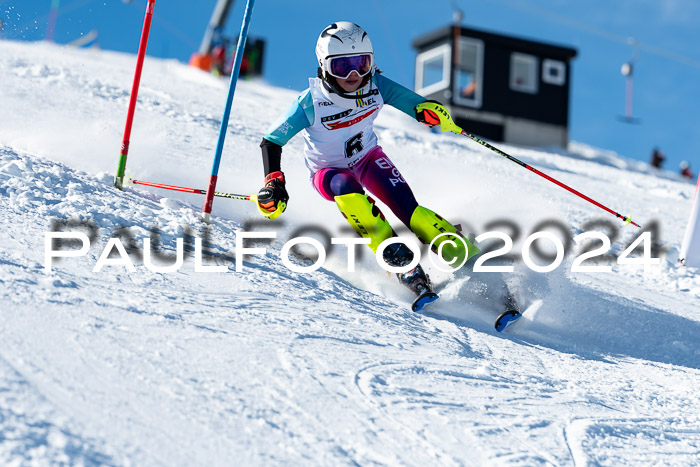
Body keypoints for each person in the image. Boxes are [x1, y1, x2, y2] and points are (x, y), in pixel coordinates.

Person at [255, 22, 519, 328]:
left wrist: (430, 112)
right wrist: (274, 181)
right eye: (342, 67)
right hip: (329, 172)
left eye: (360, 64)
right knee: (348, 189)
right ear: (325, 68)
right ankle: (400, 261)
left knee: (413, 213)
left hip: (368, 157)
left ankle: (472, 261)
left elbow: (414, 104)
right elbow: (271, 140)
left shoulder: (377, 85)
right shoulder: (310, 102)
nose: (353, 76)